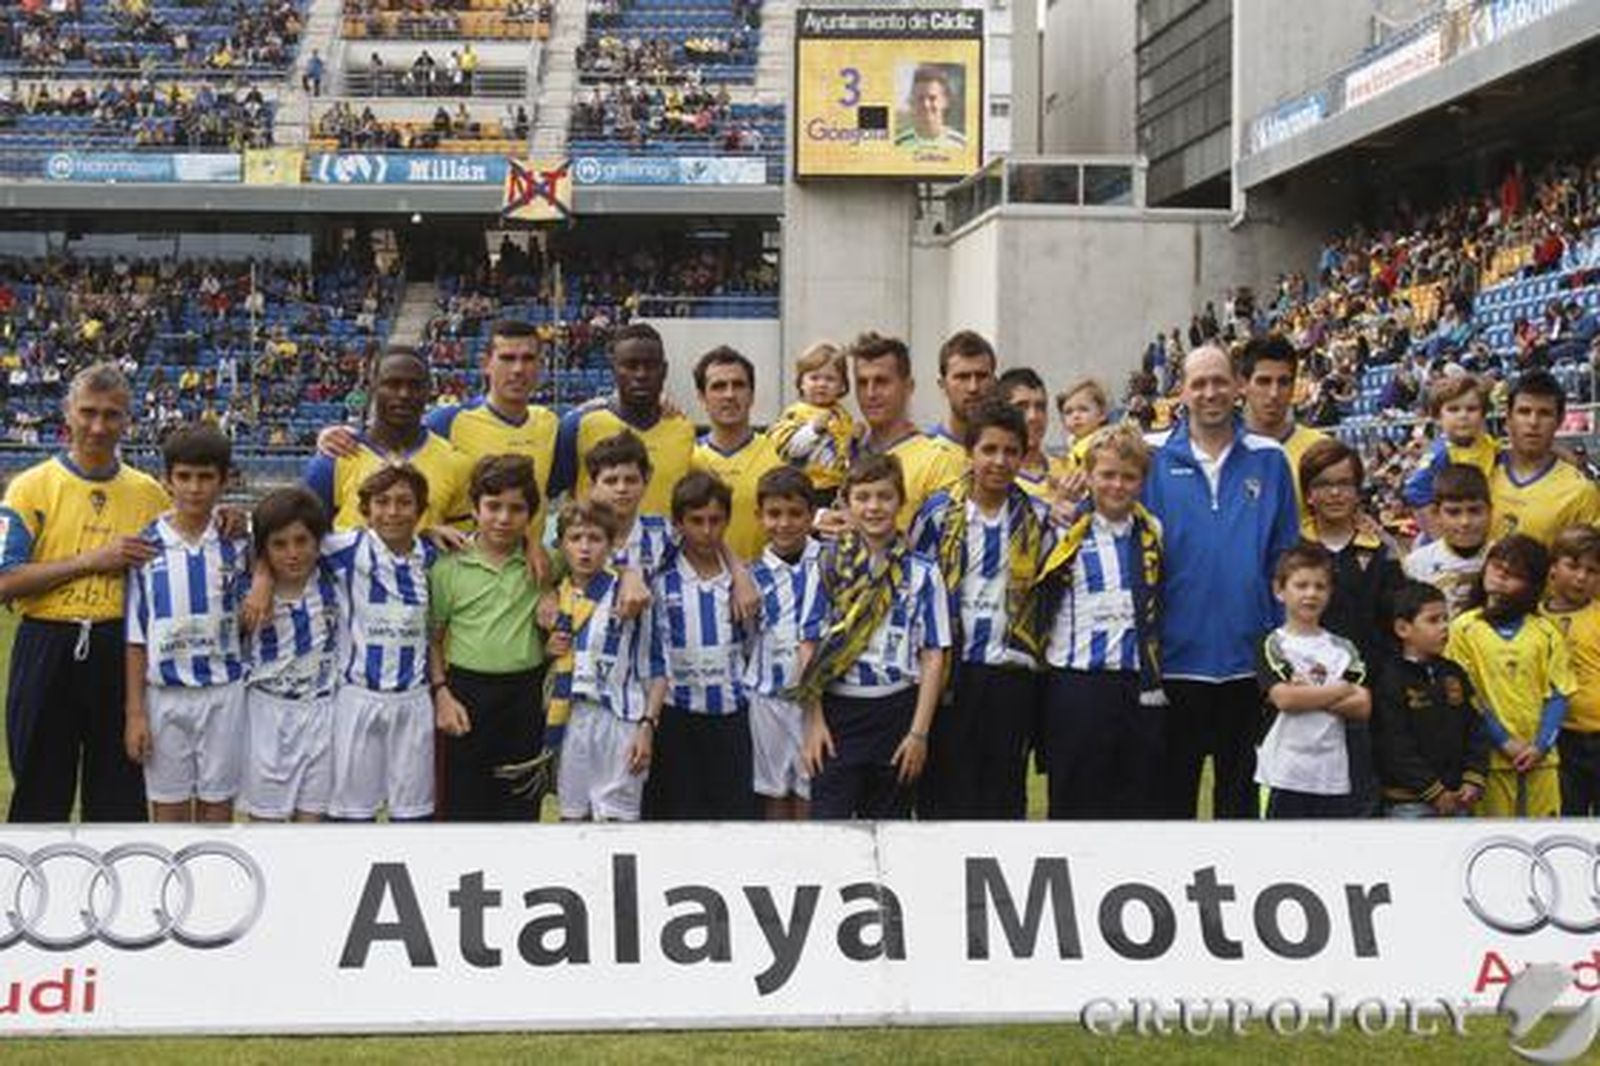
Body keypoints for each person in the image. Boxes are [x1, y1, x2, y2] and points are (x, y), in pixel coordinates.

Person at [0, 363, 168, 822]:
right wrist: (91, 561)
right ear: (67, 413)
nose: (98, 426)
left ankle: (122, 892)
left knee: (119, 793)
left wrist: (227, 521)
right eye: (88, 412)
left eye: (111, 415)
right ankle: (33, 893)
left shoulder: (150, 493)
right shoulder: (29, 488)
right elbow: (5, 582)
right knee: (39, 790)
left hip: (120, 649)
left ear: (128, 420)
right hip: (46, 645)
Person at [1142, 345, 1301, 820]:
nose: (1210, 392)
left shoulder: (1269, 459)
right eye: (1198, 383)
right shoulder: (1150, 457)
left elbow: (1284, 560)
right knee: (1171, 805)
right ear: (1182, 392)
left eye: (1218, 381)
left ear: (1237, 386)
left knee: (1240, 807)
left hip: (1246, 665)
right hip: (1174, 662)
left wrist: (1278, 649)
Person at [910, 398, 1051, 819]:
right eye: (989, 449)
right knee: (944, 789)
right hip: (951, 673)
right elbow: (914, 589)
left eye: (1011, 451)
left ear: (1023, 455)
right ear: (970, 452)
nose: (999, 460)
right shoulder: (937, 514)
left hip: (1010, 674)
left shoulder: (1036, 517)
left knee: (1004, 793)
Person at [794, 454, 952, 819]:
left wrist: (918, 734)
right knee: (829, 827)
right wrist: (814, 722)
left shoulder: (923, 573)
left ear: (900, 501)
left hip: (897, 710)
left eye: (884, 496)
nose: (874, 507)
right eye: (863, 497)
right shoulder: (827, 565)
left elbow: (933, 655)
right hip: (838, 713)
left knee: (889, 829)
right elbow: (809, 644)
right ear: (846, 504)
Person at [1035, 424, 1166, 819]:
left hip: (1135, 684)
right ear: (1089, 476)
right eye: (1107, 475)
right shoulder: (1063, 531)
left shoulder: (1152, 531)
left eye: (1128, 477)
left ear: (1142, 481)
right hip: (1078, 685)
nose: (1117, 485)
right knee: (1075, 804)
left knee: (1134, 804)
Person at [124, 425, 250, 824]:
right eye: (184, 477)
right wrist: (135, 713)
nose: (194, 488)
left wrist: (261, 577)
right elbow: (135, 637)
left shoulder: (239, 542)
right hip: (165, 697)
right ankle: (173, 888)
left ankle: (214, 884)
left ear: (224, 481)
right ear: (167, 480)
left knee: (217, 808)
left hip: (224, 694)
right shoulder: (144, 547)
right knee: (169, 812)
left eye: (205, 477)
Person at [429, 456, 548, 821]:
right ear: (475, 508)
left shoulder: (543, 564)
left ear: (530, 515)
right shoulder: (448, 566)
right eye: (493, 506)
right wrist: (442, 692)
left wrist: (552, 592)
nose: (503, 518)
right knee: (463, 804)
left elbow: (591, 568)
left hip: (525, 697)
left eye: (516, 509)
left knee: (520, 803)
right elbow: (433, 638)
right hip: (466, 695)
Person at [324, 465, 440, 821]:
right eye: (382, 502)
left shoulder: (435, 555)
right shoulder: (344, 548)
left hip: (414, 699)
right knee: (350, 815)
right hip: (358, 697)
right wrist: (265, 578)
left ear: (420, 511)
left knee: (413, 814)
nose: (392, 511)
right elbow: (276, 539)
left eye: (404, 502)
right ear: (366, 509)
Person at [1299, 438, 1403, 816]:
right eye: (1324, 484)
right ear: (1309, 493)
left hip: (1367, 700)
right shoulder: (1293, 549)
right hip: (1305, 700)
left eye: (1345, 483)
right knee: (1307, 807)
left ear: (1358, 490)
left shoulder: (1381, 551)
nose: (1335, 493)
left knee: (1364, 802)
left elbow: (1396, 626)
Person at [548, 499, 667, 822]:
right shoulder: (554, 596)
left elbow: (656, 666)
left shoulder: (632, 594)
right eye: (575, 539)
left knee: (617, 824)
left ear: (612, 543)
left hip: (621, 720)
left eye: (595, 538)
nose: (585, 548)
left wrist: (647, 726)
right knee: (573, 820)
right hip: (573, 720)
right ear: (561, 545)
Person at [643, 473, 754, 820]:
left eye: (715, 520)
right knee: (676, 816)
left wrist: (738, 571)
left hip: (732, 715)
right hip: (677, 716)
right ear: (678, 523)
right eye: (696, 521)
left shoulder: (744, 581)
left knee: (733, 817)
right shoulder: (660, 579)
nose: (707, 531)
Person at [1446, 534, 1575, 818]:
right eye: (1496, 566)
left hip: (1541, 763)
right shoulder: (1463, 628)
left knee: (1543, 844)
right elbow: (1468, 696)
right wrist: (1504, 740)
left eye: (1514, 574)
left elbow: (1558, 694)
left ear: (1532, 586)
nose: (1501, 576)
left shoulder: (1546, 632)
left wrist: (1540, 746)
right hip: (1489, 763)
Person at [240, 487, 342, 823]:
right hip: (268, 713)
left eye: (302, 541)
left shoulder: (334, 579)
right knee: (266, 825)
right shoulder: (246, 592)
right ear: (264, 549)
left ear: (318, 542)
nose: (293, 553)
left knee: (312, 827)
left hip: (323, 712)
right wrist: (261, 576)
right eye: (280, 544)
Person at [1255, 542, 1372, 819]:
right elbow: (1285, 699)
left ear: (1330, 593)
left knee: (1327, 858)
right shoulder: (1273, 643)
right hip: (1282, 773)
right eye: (1301, 585)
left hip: (1332, 775)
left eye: (1320, 587)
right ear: (1279, 590)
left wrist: (1308, 693)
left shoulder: (1344, 648)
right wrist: (1339, 689)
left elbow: (1362, 705)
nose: (1311, 594)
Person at [305, 348, 471, 535]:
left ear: (428, 390)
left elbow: (460, 546)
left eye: (415, 385)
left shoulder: (456, 464)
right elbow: (312, 543)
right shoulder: (334, 459)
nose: (403, 394)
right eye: (392, 384)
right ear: (373, 387)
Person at [551, 323, 695, 520]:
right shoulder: (578, 425)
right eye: (630, 365)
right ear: (614, 369)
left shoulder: (683, 429)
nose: (641, 375)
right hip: (599, 549)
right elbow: (546, 492)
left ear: (664, 370)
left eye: (650, 366)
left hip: (665, 549)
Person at [745, 467, 825, 820]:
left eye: (795, 514)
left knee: (811, 787)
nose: (785, 524)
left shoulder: (830, 561)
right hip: (767, 698)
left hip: (817, 702)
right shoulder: (749, 575)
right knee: (773, 790)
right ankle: (776, 868)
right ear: (760, 517)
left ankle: (809, 867)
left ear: (811, 516)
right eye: (774, 514)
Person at [1372, 581, 1487, 818]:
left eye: (1446, 618)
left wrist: (1473, 778)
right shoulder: (1390, 678)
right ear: (1403, 628)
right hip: (1408, 803)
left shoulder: (1454, 672)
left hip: (1458, 799)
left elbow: (1476, 728)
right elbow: (1393, 744)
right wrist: (1433, 791)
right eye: (1433, 620)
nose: (1445, 627)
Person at [833, 331, 966, 532]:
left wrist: (867, 533)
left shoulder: (938, 461)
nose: (871, 393)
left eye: (882, 382)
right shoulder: (845, 451)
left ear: (909, 387)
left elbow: (947, 547)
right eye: (862, 383)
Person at [690, 346, 783, 561]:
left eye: (738, 385)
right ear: (702, 397)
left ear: (752, 395)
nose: (729, 395)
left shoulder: (779, 455)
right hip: (703, 588)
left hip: (766, 586)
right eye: (718, 387)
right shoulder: (688, 460)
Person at [1489, 370, 1600, 546]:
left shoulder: (1580, 491)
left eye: (1545, 413)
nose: (1533, 422)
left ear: (1560, 420)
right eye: (1524, 412)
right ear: (1508, 418)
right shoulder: (1482, 471)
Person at [1541, 526, 1600, 817]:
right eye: (1573, 566)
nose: (1581, 577)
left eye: (1592, 570)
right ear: (1553, 567)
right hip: (1560, 738)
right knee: (1567, 814)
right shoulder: (1535, 618)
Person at [1237, 335, 1328, 524]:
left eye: (1283, 382)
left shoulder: (1320, 449)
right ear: (1243, 385)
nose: (1274, 393)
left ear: (1294, 386)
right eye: (1263, 381)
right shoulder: (1220, 451)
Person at [768, 341, 854, 504]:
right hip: (803, 488)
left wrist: (855, 438)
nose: (821, 384)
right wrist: (813, 430)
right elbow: (789, 449)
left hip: (836, 488)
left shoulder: (843, 415)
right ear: (801, 383)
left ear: (842, 385)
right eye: (814, 378)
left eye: (830, 379)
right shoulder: (795, 413)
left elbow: (847, 452)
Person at [1403, 464, 1492, 620]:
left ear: (1490, 511)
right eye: (1454, 512)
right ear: (1437, 514)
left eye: (1474, 510)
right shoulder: (1417, 563)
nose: (1465, 522)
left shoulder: (1504, 559)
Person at [1400, 374, 1498, 516]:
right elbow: (1415, 493)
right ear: (1438, 417)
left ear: (1483, 414)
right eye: (1453, 409)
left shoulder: (1492, 446)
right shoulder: (1440, 454)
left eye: (1471, 409)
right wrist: (1441, 535)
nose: (1463, 416)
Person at [997, 367, 1074, 503]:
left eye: (1040, 407)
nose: (1033, 417)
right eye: (1021, 407)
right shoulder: (995, 476)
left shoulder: (1069, 468)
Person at [930, 330, 997, 448]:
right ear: (943, 385)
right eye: (962, 377)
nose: (973, 388)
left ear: (994, 382)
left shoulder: (1009, 455)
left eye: (981, 376)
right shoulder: (924, 454)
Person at [894, 64, 966, 149]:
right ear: (912, 102)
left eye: (932, 98)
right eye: (920, 98)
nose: (926, 105)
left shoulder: (961, 145)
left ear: (945, 101)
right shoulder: (898, 145)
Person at [1055, 378, 1109, 475]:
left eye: (1083, 409)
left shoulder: (1102, 445)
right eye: (1068, 412)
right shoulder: (1074, 445)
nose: (1076, 416)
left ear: (1102, 414)